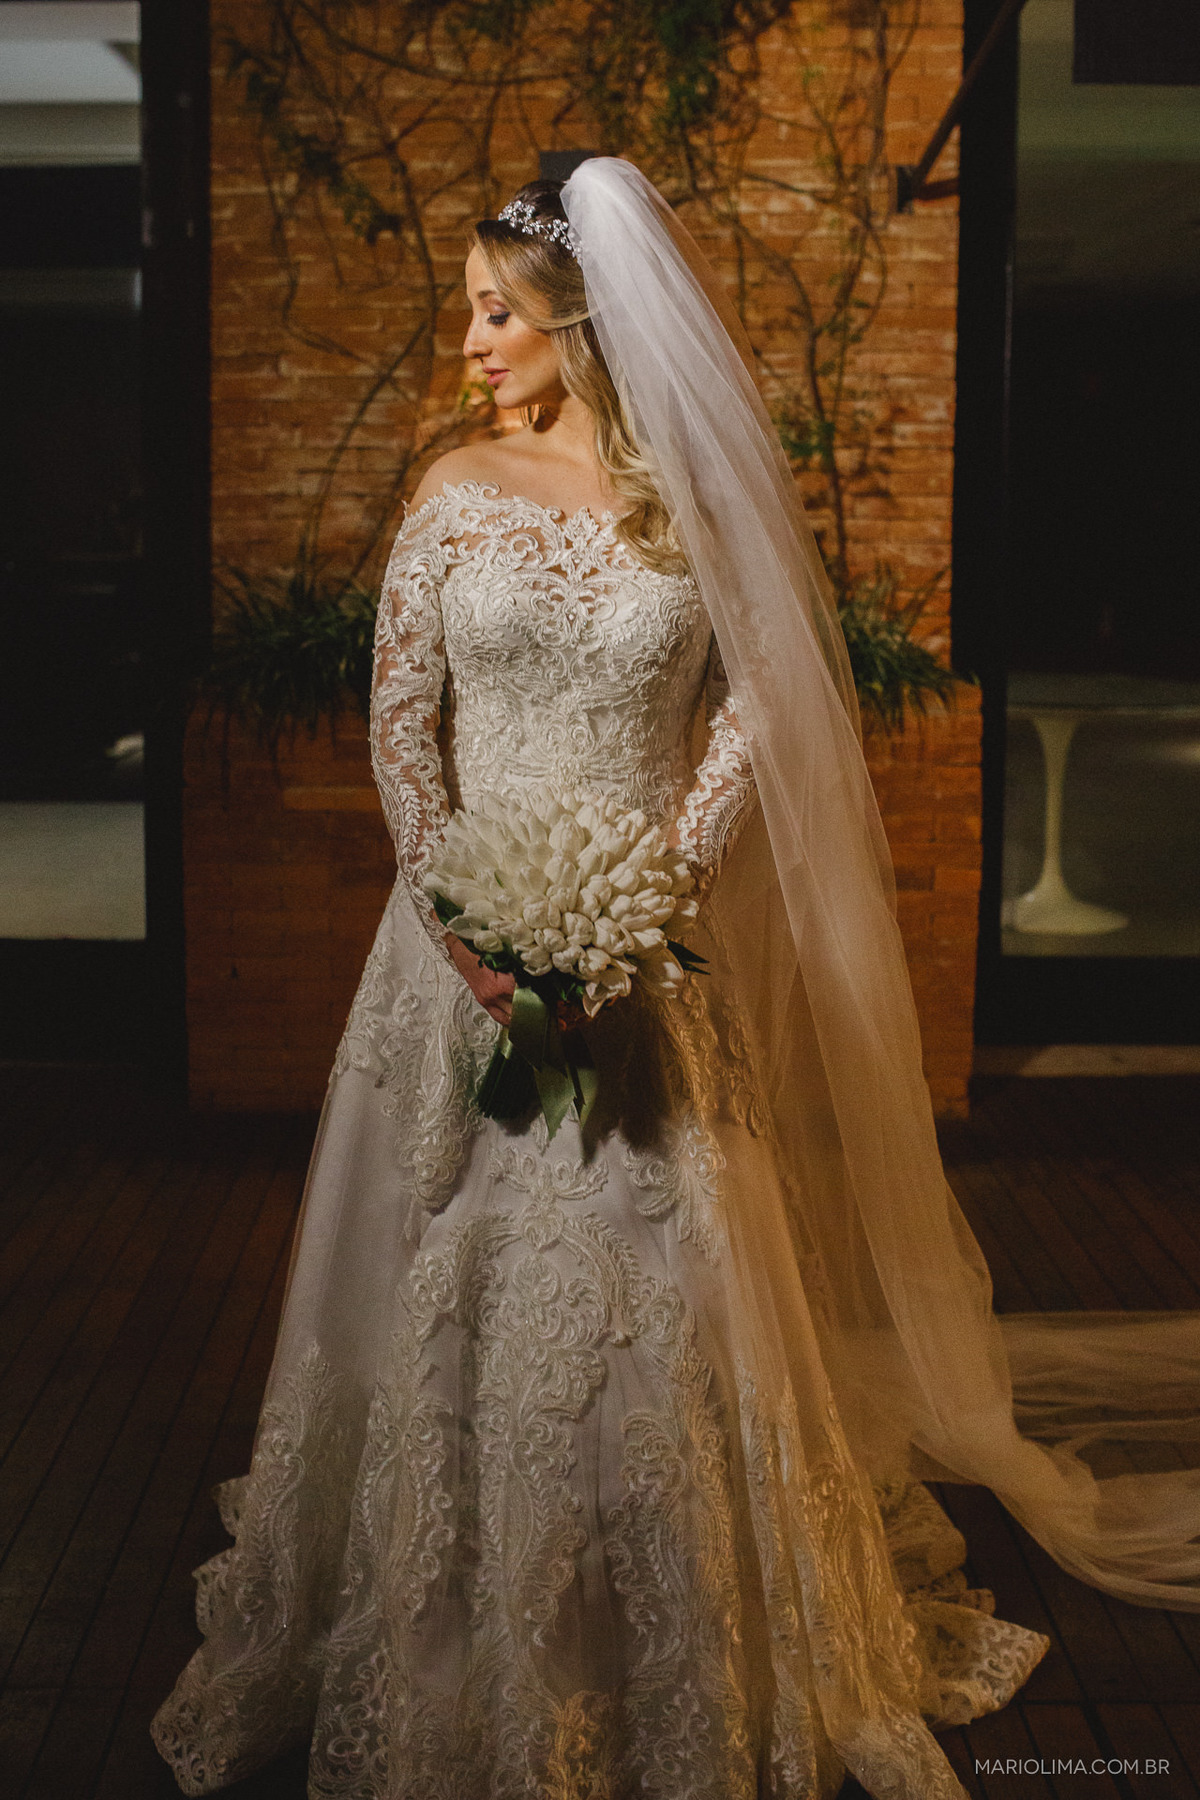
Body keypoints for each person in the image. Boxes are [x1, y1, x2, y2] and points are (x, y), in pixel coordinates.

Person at [152, 159, 1200, 1800]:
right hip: (459, 964)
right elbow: (398, 729)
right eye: (470, 307)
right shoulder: (449, 487)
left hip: (646, 953)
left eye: (496, 309)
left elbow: (763, 703)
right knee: (444, 1296)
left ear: (579, 317)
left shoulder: (685, 506)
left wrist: (650, 889)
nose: (471, 337)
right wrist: (469, 935)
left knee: (673, 1295)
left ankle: (689, 1625)